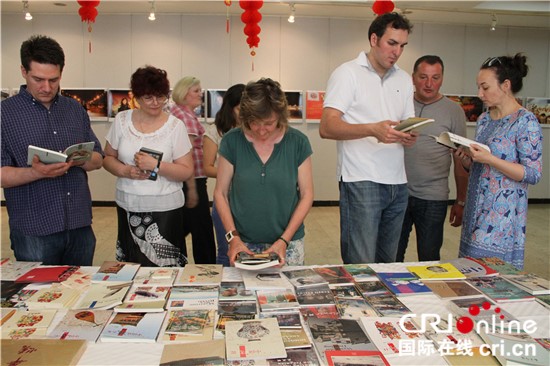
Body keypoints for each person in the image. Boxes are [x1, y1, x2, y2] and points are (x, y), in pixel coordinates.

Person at [319, 12, 416, 264]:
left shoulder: (404, 79)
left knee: (389, 264)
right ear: (374, 39)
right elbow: (327, 127)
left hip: (398, 182)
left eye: (402, 46)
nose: (397, 52)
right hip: (361, 179)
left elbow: (405, 123)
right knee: (361, 264)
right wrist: (373, 129)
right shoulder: (347, 73)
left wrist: (408, 135)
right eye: (391, 43)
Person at [0, 35, 103, 266]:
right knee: (39, 296)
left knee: (80, 293)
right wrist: (36, 173)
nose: (47, 87)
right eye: (38, 79)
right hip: (34, 229)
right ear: (23, 71)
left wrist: (79, 159)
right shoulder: (4, 114)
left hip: (79, 224)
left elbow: (98, 159)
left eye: (54, 80)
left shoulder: (74, 109)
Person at [213, 78, 314, 267]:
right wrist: (232, 237)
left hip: (288, 242)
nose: (260, 130)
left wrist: (284, 240)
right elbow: (220, 193)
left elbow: (307, 195)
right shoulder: (231, 141)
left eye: (268, 123)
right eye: (253, 122)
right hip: (243, 243)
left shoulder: (298, 142)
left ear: (281, 116)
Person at [456, 54, 543, 270]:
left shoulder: (526, 121)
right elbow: (481, 163)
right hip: (475, 210)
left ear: (506, 85)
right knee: (468, 273)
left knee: (489, 278)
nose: (480, 94)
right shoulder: (485, 119)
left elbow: (532, 173)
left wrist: (491, 159)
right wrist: (468, 160)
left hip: (500, 218)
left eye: (485, 87)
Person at [103, 66, 194, 267]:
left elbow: (186, 171)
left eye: (161, 97)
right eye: (148, 98)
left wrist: (156, 166)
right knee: (131, 267)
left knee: (165, 270)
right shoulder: (122, 120)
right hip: (129, 205)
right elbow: (108, 158)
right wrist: (124, 171)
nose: (156, 103)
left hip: (165, 210)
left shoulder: (175, 126)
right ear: (136, 97)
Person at [396, 55, 469, 262]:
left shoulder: (454, 111)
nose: (429, 84)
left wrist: (461, 201)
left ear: (442, 78)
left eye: (435, 78)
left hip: (433, 198)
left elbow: (460, 160)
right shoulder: (401, 103)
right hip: (397, 193)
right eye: (423, 77)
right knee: (392, 256)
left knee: (429, 259)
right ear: (413, 78)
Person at [170, 76, 216, 264]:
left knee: (185, 226)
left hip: (187, 180)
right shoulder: (185, 117)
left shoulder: (180, 113)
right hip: (192, 181)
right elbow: (185, 154)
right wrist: (191, 189)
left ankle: (177, 263)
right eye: (196, 91)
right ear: (184, 93)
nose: (200, 94)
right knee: (202, 230)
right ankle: (207, 270)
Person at [203, 83, 245, 266]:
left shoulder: (253, 131)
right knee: (225, 250)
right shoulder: (215, 131)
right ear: (230, 107)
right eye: (239, 108)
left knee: (247, 249)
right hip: (224, 200)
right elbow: (207, 167)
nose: (244, 113)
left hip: (247, 202)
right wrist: (232, 175)